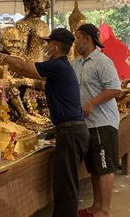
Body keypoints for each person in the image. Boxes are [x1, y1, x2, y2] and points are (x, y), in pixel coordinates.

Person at [0, 27, 90, 217]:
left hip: (71, 132)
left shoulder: (58, 66)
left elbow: (23, 68)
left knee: (66, 185)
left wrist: (1, 57)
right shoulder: (59, 67)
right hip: (71, 131)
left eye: (47, 43)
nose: (45, 47)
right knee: (65, 182)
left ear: (54, 47)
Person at [71, 23, 121, 217]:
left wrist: (92, 103)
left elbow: (114, 88)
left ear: (87, 39)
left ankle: (105, 210)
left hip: (103, 123)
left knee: (104, 167)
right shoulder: (77, 63)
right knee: (94, 168)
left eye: (77, 38)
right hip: (87, 124)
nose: (75, 42)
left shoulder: (102, 61)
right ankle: (95, 206)